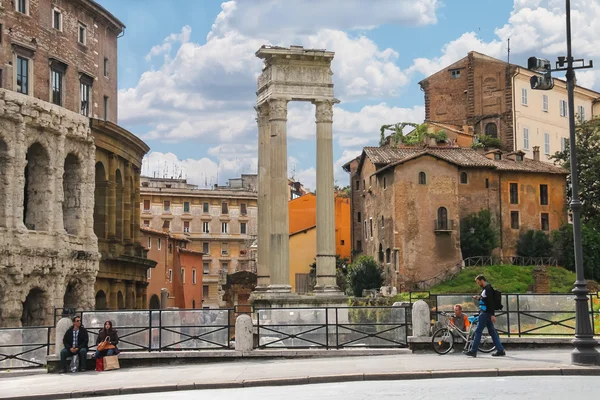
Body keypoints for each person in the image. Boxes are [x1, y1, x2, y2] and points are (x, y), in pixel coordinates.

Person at [465, 274, 506, 357]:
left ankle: (473, 350)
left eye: (478, 282)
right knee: (492, 332)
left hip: (485, 313)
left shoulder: (488, 289)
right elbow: (486, 300)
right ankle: (500, 350)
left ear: (482, 280)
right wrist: (478, 298)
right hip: (486, 313)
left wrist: (492, 315)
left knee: (478, 331)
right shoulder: (485, 289)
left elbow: (491, 303)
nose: (478, 284)